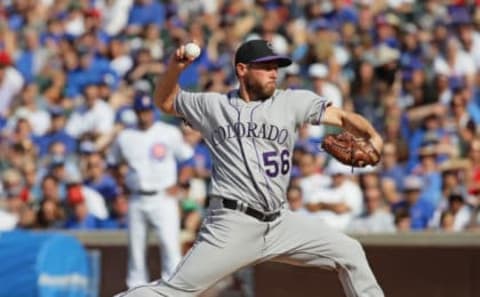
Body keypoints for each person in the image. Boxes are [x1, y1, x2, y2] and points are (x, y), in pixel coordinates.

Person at [117, 39, 384, 297]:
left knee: (350, 253)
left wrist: (373, 137)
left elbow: (342, 117)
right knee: (172, 291)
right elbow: (164, 102)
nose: (273, 73)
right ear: (242, 70)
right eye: (265, 67)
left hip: (280, 222)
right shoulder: (213, 106)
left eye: (276, 67)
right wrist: (175, 68)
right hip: (232, 224)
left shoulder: (290, 102)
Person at [108, 93, 194, 289]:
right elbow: (112, 163)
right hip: (137, 198)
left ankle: (173, 291)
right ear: (135, 113)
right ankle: (135, 290)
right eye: (140, 112)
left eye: (147, 111)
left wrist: (180, 184)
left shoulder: (167, 133)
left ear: (152, 112)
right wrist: (122, 184)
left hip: (163, 197)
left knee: (170, 247)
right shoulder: (125, 137)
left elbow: (187, 159)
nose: (144, 116)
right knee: (136, 251)